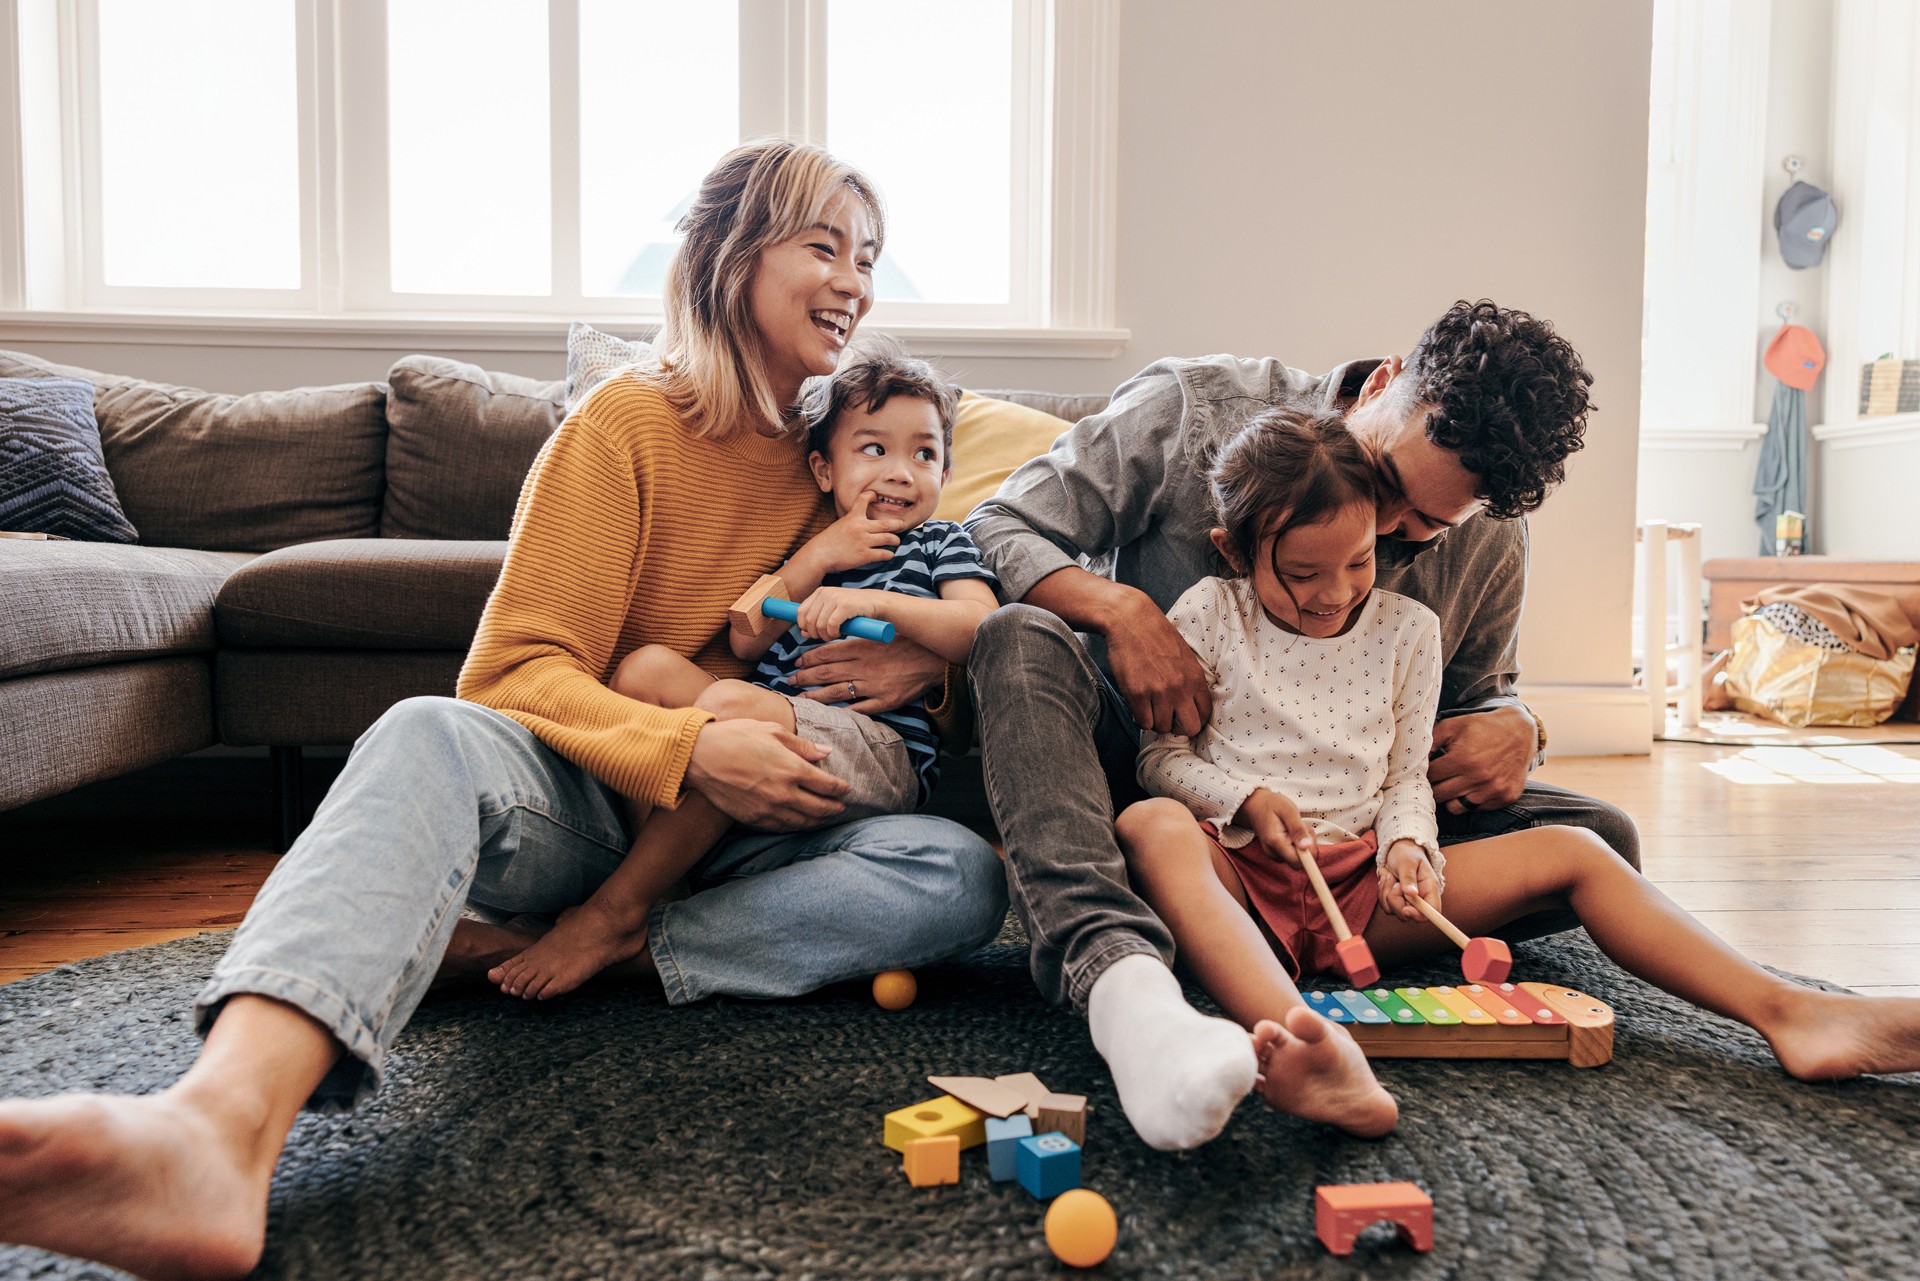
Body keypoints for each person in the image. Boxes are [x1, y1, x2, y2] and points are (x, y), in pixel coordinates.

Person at [0, 140, 1009, 1281]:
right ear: (730, 257)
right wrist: (689, 746)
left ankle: (562, 950)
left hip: (767, 831)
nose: (854, 280)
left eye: (868, 257)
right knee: (425, 728)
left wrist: (926, 677)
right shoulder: (624, 427)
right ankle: (212, 1132)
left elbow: (939, 624)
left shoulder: (852, 456)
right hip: (600, 801)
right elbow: (517, 670)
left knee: (957, 875)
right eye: (823, 246)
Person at [1116, 406, 1920, 1126]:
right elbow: (1161, 759)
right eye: (1300, 574)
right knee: (1149, 824)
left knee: (1579, 846)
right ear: (1234, 549)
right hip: (1239, 881)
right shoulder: (1209, 614)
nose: (1334, 594)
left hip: (1360, 890)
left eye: (1357, 562)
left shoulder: (1409, 632)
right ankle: (1313, 1041)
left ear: (1380, 534)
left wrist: (1407, 848)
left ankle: (1792, 1013)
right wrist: (1247, 798)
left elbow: (1403, 781)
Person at [962, 300, 1634, 1151]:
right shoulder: (1190, 410)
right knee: (1016, 638)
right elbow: (997, 523)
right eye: (1387, 485)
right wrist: (1123, 611)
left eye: (1421, 530)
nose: (1384, 534)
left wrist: (1520, 725)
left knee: (1601, 836)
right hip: (1135, 770)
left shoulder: (1493, 533)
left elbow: (1475, 700)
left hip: (1345, 829)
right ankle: (1120, 974)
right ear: (1386, 382)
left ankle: (1278, 931)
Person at [489, 342, 999, 1000]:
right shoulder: (811, 544)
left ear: (945, 471)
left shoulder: (940, 543)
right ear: (824, 467)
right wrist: (814, 559)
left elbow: (979, 627)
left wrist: (873, 601)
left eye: (924, 454)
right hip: (762, 737)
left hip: (874, 747)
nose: (900, 472)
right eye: (874, 449)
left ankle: (619, 912)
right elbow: (746, 634)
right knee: (647, 671)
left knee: (736, 707)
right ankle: (667, 884)